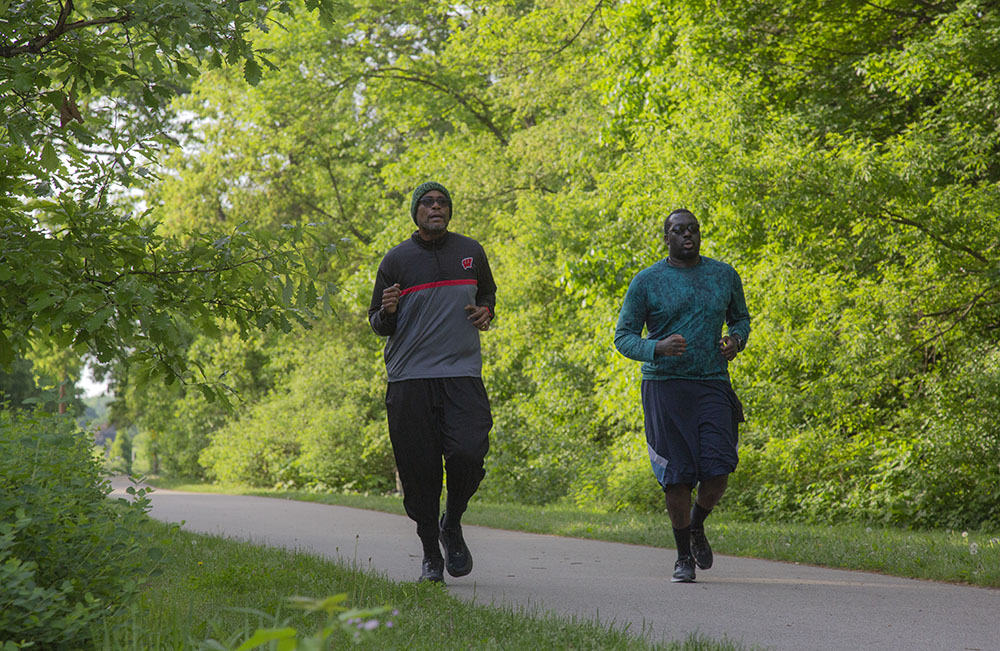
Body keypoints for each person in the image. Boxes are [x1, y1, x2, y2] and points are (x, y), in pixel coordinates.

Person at [367, 181, 497, 583]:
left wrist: (486, 312)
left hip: (461, 375)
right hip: (410, 380)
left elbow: (488, 295)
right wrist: (388, 311)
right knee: (419, 471)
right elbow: (377, 323)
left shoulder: (471, 252)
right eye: (428, 203)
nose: (436, 208)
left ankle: (451, 523)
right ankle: (429, 553)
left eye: (442, 202)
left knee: (469, 454)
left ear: (449, 211)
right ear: (416, 211)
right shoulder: (396, 260)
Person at [614, 208, 750, 583]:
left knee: (719, 470)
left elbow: (741, 319)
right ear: (666, 237)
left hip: (711, 383)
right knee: (675, 478)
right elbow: (623, 336)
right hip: (664, 387)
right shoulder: (647, 281)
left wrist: (735, 340)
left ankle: (696, 525)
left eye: (693, 229)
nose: (687, 235)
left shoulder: (723, 275)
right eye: (678, 230)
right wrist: (657, 347)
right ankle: (682, 558)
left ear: (699, 235)